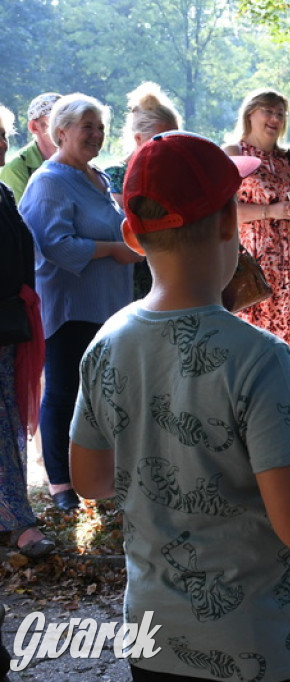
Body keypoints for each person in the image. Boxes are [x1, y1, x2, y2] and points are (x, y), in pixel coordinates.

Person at [70, 131, 290, 680]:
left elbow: (91, 481)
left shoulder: (107, 342)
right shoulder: (261, 358)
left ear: (133, 236)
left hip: (155, 640)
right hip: (261, 647)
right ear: (228, 224)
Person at [20, 93, 140, 512]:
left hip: (109, 304)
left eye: (101, 127)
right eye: (87, 126)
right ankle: (60, 484)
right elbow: (53, 246)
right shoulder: (49, 180)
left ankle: (101, 474)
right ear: (61, 131)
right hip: (70, 308)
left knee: (104, 394)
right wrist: (112, 250)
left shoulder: (99, 178)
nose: (96, 134)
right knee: (64, 392)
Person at [224, 88, 290, 377]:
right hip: (255, 269)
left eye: (280, 113)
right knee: (255, 347)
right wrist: (269, 212)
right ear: (250, 113)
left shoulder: (289, 158)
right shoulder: (234, 154)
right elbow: (223, 210)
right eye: (268, 111)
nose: (275, 118)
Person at [0, 104, 52, 558]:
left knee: (9, 421)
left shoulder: (1, 192)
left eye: (2, 135)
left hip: (9, 323)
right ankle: (18, 522)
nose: (1, 144)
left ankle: (15, 518)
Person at [105, 82, 182, 300]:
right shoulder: (116, 175)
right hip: (132, 280)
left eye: (174, 138)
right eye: (160, 140)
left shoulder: (177, 175)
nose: (169, 147)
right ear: (138, 139)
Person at [0, 92, 60, 203]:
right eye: (56, 122)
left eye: (70, 122)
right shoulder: (15, 169)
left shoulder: (82, 163)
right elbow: (18, 218)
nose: (65, 128)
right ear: (34, 127)